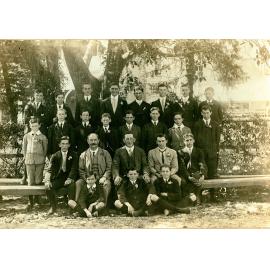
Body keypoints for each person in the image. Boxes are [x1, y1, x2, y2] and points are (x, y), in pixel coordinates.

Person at [44, 136, 78, 214]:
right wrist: (47, 181)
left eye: (66, 144)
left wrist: (70, 178)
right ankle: (53, 207)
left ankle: (71, 208)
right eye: (63, 144)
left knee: (72, 186)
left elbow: (74, 168)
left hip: (69, 177)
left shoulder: (74, 155)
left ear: (69, 145)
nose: (64, 146)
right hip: (59, 178)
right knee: (48, 187)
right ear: (59, 145)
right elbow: (49, 170)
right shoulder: (55, 156)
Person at [76, 133, 112, 207]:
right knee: (78, 183)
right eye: (91, 140)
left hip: (101, 177)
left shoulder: (105, 153)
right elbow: (81, 170)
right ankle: (78, 206)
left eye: (95, 140)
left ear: (98, 141)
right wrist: (87, 180)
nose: (93, 142)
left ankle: (102, 206)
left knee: (107, 184)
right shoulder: (83, 155)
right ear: (88, 141)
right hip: (88, 178)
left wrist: (104, 177)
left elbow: (109, 168)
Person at [193, 105, 220, 201]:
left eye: (207, 112)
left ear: (211, 113)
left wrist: (216, 151)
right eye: (204, 113)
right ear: (201, 113)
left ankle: (213, 196)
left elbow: (217, 140)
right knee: (201, 173)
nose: (206, 114)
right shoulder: (197, 124)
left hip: (212, 153)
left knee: (212, 173)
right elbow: (195, 140)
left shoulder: (215, 124)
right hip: (201, 153)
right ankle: (200, 196)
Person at [22, 117, 48, 211]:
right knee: (30, 181)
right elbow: (24, 148)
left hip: (39, 161)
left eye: (36, 126)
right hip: (29, 161)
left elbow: (45, 150)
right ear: (30, 126)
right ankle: (31, 201)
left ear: (39, 125)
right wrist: (26, 158)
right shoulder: (26, 136)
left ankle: (37, 199)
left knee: (38, 180)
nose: (34, 128)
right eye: (32, 126)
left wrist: (42, 158)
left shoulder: (43, 137)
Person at [178, 133, 207, 204]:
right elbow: (182, 166)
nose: (189, 142)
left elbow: (202, 163)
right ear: (184, 142)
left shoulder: (199, 151)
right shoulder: (180, 152)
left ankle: (197, 196)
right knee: (184, 181)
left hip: (196, 172)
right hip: (185, 173)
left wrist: (202, 174)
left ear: (193, 140)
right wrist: (188, 176)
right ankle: (192, 196)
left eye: (190, 140)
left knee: (197, 177)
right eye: (187, 140)